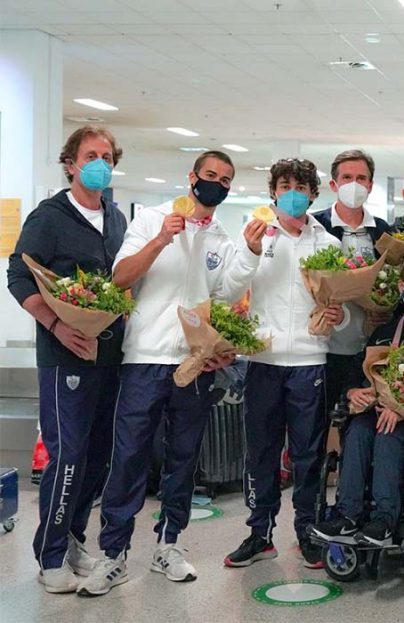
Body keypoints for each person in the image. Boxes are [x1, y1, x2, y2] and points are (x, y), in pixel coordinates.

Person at [75, 151, 265, 596]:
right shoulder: (150, 220)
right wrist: (161, 238)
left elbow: (225, 294)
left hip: (194, 362)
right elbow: (121, 277)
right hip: (144, 358)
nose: (216, 184)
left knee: (184, 457)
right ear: (192, 177)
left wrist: (251, 252)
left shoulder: (221, 237)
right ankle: (114, 554)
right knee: (129, 457)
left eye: (225, 180)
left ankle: (169, 544)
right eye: (210, 175)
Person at [7, 125, 128, 594]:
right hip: (65, 359)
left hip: (109, 357)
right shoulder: (50, 217)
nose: (100, 164)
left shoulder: (115, 218)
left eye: (107, 157)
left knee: (98, 457)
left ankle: (74, 537)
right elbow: (19, 276)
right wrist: (56, 324)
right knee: (69, 456)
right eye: (91, 155)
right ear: (70, 163)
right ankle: (50, 554)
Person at [224, 158, 342, 569]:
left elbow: (338, 306)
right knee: (261, 452)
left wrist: (336, 316)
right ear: (273, 191)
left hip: (310, 360)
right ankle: (260, 533)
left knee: (308, 454)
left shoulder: (327, 244)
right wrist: (251, 252)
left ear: (313, 194)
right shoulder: (255, 234)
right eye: (285, 186)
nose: (292, 194)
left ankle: (307, 530)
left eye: (301, 187)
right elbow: (229, 290)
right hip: (263, 359)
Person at [309, 254, 404, 547]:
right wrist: (351, 392)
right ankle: (347, 515)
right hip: (379, 412)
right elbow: (359, 368)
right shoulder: (384, 332)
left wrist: (402, 409)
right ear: (401, 286)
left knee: (386, 435)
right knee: (358, 430)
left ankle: (384, 520)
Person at [311, 149, 393, 421]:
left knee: (360, 426)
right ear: (334, 184)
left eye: (361, 178)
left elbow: (392, 280)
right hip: (324, 349)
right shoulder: (316, 227)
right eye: (347, 178)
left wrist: (385, 310)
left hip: (366, 350)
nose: (354, 184)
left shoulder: (381, 231)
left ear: (370, 185)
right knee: (318, 424)